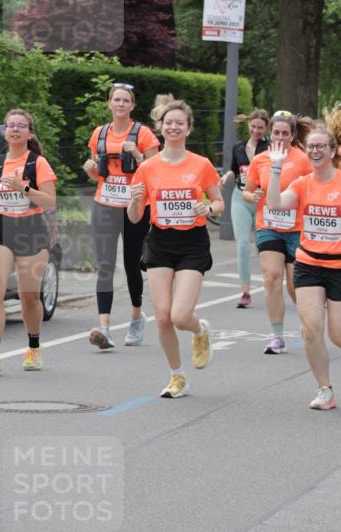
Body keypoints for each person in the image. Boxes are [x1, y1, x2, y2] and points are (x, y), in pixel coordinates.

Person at [266, 127, 341, 410]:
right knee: (310, 328)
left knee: (339, 337)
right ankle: (325, 389)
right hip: (309, 264)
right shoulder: (303, 183)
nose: (315, 151)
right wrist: (276, 169)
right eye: (311, 147)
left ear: (332, 151)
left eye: (321, 147)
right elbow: (274, 204)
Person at [127, 96, 223, 398]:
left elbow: (219, 202)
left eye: (180, 123)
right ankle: (177, 376)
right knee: (164, 315)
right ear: (161, 127)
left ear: (188, 129)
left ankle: (199, 330)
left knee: (181, 315)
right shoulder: (148, 167)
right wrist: (134, 199)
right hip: (159, 241)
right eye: (169, 123)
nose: (173, 127)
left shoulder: (201, 165)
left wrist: (207, 209)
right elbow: (135, 216)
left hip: (192, 242)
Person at [0, 109, 56, 374]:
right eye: (11, 125)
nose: (15, 129)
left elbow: (49, 201)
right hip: (0, 228)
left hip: (30, 230)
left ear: (29, 132)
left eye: (21, 126)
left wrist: (24, 189)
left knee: (28, 297)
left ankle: (33, 346)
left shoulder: (38, 163)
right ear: (5, 131)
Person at [84, 83, 160, 349]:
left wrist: (138, 155)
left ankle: (137, 318)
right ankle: (104, 327)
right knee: (104, 265)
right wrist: (90, 168)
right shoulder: (99, 133)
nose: (120, 104)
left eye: (125, 100)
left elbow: (156, 172)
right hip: (104, 204)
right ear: (109, 104)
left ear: (132, 106)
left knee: (131, 264)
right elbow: (98, 173)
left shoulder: (144, 133)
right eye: (116, 100)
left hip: (134, 206)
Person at [243, 110, 312, 354]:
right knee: (271, 278)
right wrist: (255, 196)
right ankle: (277, 336)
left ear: (293, 135)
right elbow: (247, 191)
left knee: (295, 283)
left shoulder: (303, 160)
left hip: (296, 228)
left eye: (285, 133)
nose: (280, 137)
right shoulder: (260, 160)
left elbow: (313, 189)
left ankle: (309, 322)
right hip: (268, 225)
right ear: (270, 134)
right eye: (276, 133)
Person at [222, 109, 270, 308]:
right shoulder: (238, 147)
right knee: (242, 244)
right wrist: (227, 176)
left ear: (266, 128)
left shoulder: (270, 148)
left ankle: (271, 285)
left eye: (260, 127)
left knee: (264, 247)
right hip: (240, 197)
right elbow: (234, 169)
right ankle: (245, 292)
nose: (256, 130)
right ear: (248, 125)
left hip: (263, 199)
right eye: (253, 126)